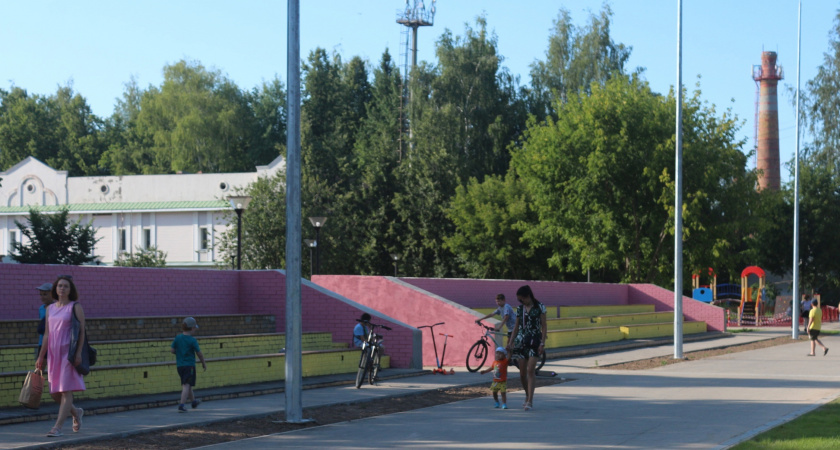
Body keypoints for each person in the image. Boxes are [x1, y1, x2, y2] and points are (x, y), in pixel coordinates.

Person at [35, 275, 86, 437]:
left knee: (65, 390)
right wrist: (41, 356)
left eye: (65, 286)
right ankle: (76, 412)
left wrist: (78, 353)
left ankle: (57, 428)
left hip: (68, 353)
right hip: (53, 353)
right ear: (55, 289)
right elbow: (47, 334)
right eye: (59, 286)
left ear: (70, 290)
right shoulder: (50, 308)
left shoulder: (75, 307)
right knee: (54, 393)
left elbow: (81, 332)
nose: (62, 288)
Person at [506, 285, 547, 411]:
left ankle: (530, 400)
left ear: (528, 296)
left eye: (522, 298)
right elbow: (516, 327)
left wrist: (542, 343)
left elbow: (544, 326)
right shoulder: (520, 309)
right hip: (521, 341)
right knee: (522, 373)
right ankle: (527, 394)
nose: (521, 301)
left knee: (530, 370)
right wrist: (510, 342)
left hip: (534, 340)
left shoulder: (540, 307)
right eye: (519, 299)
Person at [171, 317, 207, 412]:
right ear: (192, 328)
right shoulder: (192, 340)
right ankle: (181, 405)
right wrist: (203, 363)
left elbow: (172, 350)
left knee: (188, 384)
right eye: (195, 328)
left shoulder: (178, 338)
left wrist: (180, 353)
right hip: (189, 366)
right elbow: (199, 353)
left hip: (180, 366)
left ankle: (193, 402)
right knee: (186, 385)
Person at [36, 282, 54, 359]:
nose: (42, 297)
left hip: (53, 343)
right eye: (41, 295)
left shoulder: (57, 308)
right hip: (42, 342)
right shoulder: (41, 308)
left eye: (45, 294)